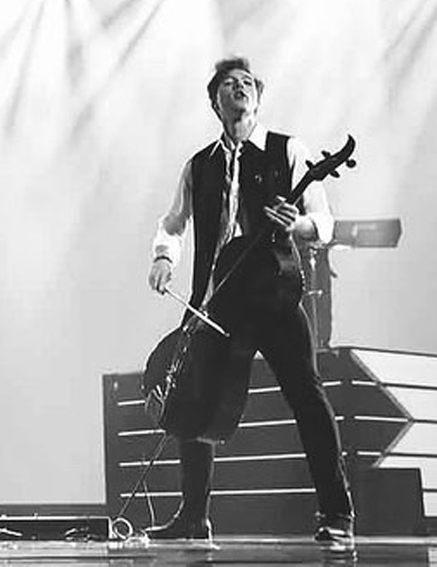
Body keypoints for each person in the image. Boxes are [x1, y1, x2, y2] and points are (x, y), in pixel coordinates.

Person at [146, 57, 354, 549]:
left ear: (257, 99)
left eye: (246, 84)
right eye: (227, 85)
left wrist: (296, 225)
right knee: (193, 401)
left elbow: (322, 222)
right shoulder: (199, 164)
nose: (237, 90)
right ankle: (194, 517)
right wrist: (162, 257)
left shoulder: (289, 150)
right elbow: (174, 223)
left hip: (274, 295)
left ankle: (337, 513)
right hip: (217, 297)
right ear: (215, 101)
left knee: (307, 395)